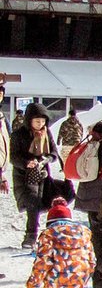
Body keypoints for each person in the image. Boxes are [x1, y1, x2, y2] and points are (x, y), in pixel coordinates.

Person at [27, 197, 93, 288]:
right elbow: (91, 258)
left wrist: (33, 283)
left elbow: (42, 262)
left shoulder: (49, 235)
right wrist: (87, 275)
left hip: (56, 279)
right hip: (77, 278)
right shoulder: (83, 233)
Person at [11, 102, 55, 246]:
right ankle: (31, 235)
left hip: (42, 174)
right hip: (25, 175)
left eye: (43, 121)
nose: (40, 124)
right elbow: (13, 156)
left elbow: (54, 153)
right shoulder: (19, 134)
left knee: (48, 201)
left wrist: (46, 159)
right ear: (29, 120)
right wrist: (26, 163)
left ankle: (51, 234)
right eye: (37, 121)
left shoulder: (47, 133)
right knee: (32, 202)